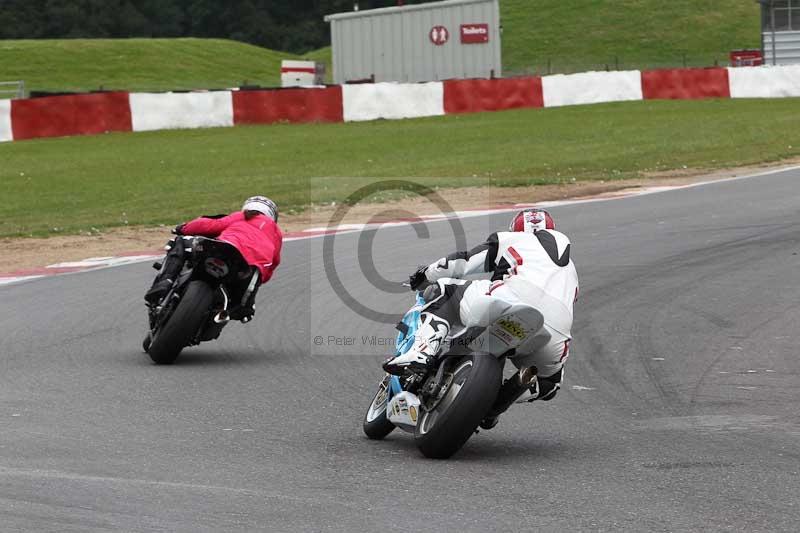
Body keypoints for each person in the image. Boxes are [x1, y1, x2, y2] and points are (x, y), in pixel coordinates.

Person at [383, 208, 578, 428]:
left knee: (446, 290)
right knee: (549, 385)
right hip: (554, 332)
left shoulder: (508, 239)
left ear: (516, 227)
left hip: (512, 299)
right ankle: (498, 402)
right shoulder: (569, 268)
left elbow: (462, 263)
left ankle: (421, 352)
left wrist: (424, 275)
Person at [145, 196, 283, 321]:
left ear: (248, 207)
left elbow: (209, 225)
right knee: (242, 307)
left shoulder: (244, 216)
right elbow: (273, 263)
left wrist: (182, 228)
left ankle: (165, 281)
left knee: (180, 241)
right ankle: (227, 311)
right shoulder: (276, 233)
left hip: (223, 249)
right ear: (272, 216)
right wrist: (261, 277)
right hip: (247, 268)